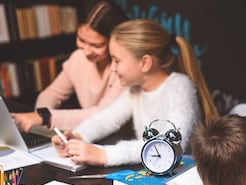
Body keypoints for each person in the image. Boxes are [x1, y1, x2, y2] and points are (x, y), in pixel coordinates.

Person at [51, 18, 218, 166]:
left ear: (145, 63)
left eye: (117, 60)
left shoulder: (180, 87)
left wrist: (104, 155)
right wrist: (78, 136)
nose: (113, 68)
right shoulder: (134, 90)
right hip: (154, 172)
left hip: (183, 177)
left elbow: (167, 145)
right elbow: (107, 119)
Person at [12, 1, 128, 132]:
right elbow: (52, 93)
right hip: (91, 135)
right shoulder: (78, 57)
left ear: (116, 41)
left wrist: (45, 118)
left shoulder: (124, 68)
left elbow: (103, 114)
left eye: (97, 45)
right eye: (81, 40)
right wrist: (40, 120)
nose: (87, 51)